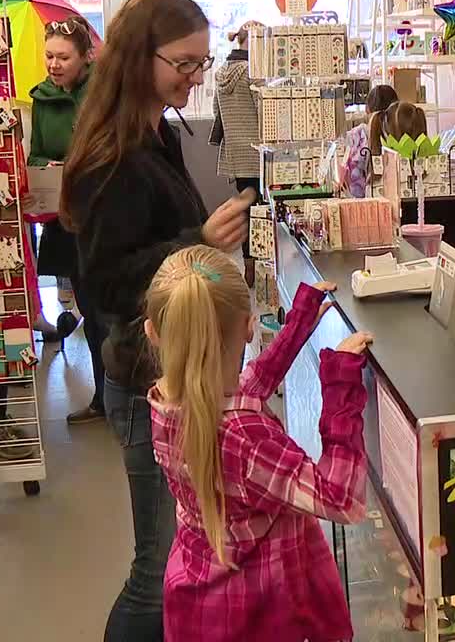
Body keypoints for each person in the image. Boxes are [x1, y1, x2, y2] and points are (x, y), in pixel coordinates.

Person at [60, 0, 252, 642]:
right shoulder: (114, 155)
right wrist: (200, 240)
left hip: (168, 374)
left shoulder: (155, 133)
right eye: (186, 63)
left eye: (204, 62)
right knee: (157, 565)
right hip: (144, 382)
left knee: (174, 557)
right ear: (143, 55)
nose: (197, 78)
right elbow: (110, 285)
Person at [144, 245, 373, 641]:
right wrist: (339, 383)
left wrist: (300, 324)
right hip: (258, 612)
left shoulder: (166, 404)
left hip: (199, 603)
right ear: (250, 327)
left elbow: (244, 387)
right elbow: (340, 498)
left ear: (153, 332)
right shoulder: (246, 437)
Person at [26, 14, 108, 425]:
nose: (54, 64)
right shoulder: (42, 98)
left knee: (112, 309)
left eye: (63, 57)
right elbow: (36, 154)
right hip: (67, 217)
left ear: (84, 58)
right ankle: (103, 399)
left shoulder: (103, 94)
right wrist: (50, 165)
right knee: (91, 310)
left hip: (107, 212)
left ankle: (126, 397)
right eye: (49, 56)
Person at [209, 21, 263, 284]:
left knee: (247, 211)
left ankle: (249, 267)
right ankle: (264, 268)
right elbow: (266, 114)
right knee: (264, 210)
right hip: (259, 152)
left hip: (235, 153)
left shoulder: (221, 72)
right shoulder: (253, 73)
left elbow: (216, 113)